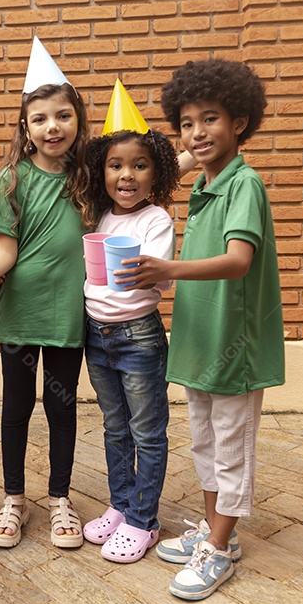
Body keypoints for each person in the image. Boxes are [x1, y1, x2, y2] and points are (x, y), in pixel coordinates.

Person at [123, 58, 285, 600]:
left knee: (230, 447)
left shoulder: (244, 185)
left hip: (231, 346)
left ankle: (218, 548)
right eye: (187, 122)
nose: (197, 133)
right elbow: (173, 164)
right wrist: (189, 153)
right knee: (205, 441)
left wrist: (168, 270)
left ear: (240, 121)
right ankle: (221, 534)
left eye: (210, 118)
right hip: (199, 339)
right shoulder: (209, 182)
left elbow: (238, 260)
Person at [0, 37, 89, 549]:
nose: (53, 127)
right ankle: (15, 498)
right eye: (40, 118)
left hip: (69, 314)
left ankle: (61, 499)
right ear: (26, 128)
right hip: (20, 313)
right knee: (17, 407)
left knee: (62, 405)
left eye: (63, 115)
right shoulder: (12, 180)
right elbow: (4, 252)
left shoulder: (91, 177)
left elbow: (151, 174)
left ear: (78, 121)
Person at [78, 80, 179, 564]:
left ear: (155, 173)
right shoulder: (97, 216)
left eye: (140, 166)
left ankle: (145, 520)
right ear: (102, 173)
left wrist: (134, 268)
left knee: (146, 431)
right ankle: (121, 505)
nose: (126, 175)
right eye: (115, 166)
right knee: (114, 426)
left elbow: (156, 279)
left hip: (138, 337)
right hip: (96, 334)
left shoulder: (155, 219)